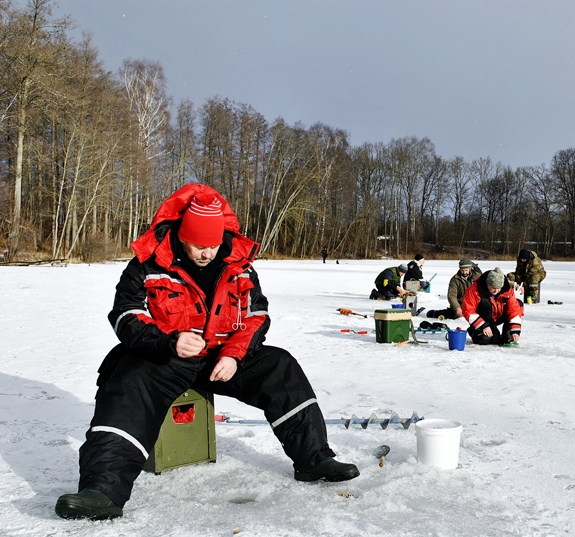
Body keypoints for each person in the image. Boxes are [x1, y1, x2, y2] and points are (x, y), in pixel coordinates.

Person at [55, 184, 358, 521]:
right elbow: (125, 315)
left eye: (213, 245)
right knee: (128, 383)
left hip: (223, 356)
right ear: (182, 235)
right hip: (166, 356)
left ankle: (314, 460)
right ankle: (102, 492)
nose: (206, 253)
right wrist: (169, 341)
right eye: (199, 245)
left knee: (280, 366)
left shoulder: (239, 264)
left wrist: (233, 355)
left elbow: (257, 315)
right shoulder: (148, 263)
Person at [461, 267, 524, 345]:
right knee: (486, 339)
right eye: (493, 288)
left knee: (518, 304)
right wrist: (483, 326)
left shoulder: (507, 290)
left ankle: (507, 333)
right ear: (488, 283)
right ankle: (474, 330)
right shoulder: (473, 290)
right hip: (484, 318)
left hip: (500, 316)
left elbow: (514, 310)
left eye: (499, 288)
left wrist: (515, 331)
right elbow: (468, 310)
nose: (496, 291)